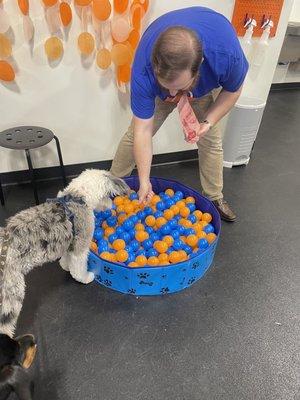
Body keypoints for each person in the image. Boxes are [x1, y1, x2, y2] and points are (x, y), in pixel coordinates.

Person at [110, 6, 249, 222]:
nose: (173, 95)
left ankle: (214, 197)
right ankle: (111, 189)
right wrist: (144, 180)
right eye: (168, 86)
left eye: (179, 87)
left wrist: (208, 121)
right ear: (155, 67)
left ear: (199, 66)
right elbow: (143, 131)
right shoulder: (144, 69)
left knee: (211, 140)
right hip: (168, 81)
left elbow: (233, 90)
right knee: (133, 135)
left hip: (200, 86)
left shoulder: (226, 56)